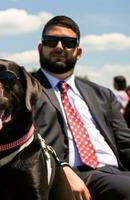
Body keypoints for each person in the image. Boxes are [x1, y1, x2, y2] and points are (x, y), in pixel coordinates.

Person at [33, 15, 130, 200]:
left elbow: (125, 142)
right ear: (40, 48)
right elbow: (25, 140)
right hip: (70, 174)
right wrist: (61, 168)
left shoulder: (102, 94)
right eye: (51, 41)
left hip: (117, 172)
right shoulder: (26, 90)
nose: (59, 47)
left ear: (78, 52)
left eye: (68, 42)